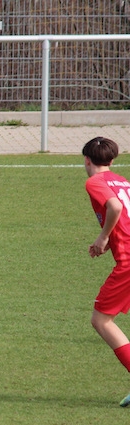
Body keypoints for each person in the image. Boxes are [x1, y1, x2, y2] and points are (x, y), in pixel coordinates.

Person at [82, 136, 130, 406]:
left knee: (101, 320)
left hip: (129, 260)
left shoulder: (95, 182)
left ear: (87, 160)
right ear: (111, 160)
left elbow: (115, 207)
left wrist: (103, 237)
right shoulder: (122, 181)